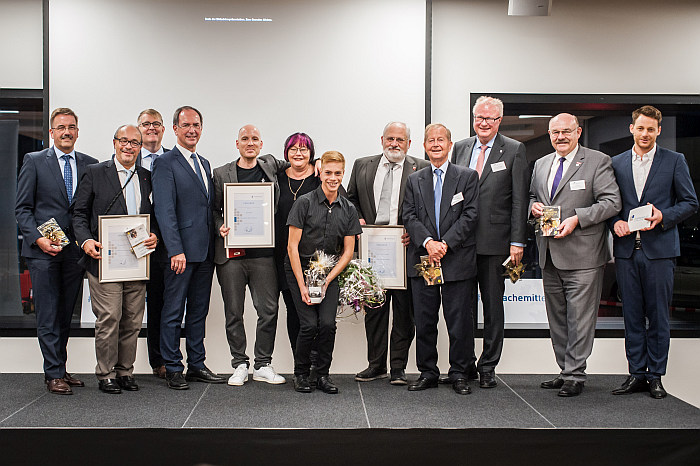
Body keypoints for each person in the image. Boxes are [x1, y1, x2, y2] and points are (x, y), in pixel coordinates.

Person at [608, 105, 698, 399]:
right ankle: (636, 373)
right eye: (640, 128)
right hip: (626, 251)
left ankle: (656, 376)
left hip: (659, 251)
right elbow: (609, 204)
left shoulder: (674, 161)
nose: (645, 133)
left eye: (651, 129)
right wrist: (614, 222)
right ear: (631, 128)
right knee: (632, 316)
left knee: (658, 317)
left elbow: (690, 202)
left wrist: (664, 216)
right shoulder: (616, 163)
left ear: (658, 131)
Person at [529, 113, 621, 397]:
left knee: (580, 318)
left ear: (578, 132)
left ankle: (575, 375)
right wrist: (532, 207)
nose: (561, 137)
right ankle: (564, 369)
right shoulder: (541, 164)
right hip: (549, 253)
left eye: (566, 131)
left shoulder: (597, 161)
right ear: (549, 134)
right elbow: (533, 196)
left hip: (583, 256)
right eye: (555, 132)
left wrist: (577, 219)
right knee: (557, 318)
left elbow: (612, 202)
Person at [15, 107, 98, 395]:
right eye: (61, 127)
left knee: (64, 315)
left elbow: (88, 210)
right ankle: (52, 373)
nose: (66, 132)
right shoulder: (35, 161)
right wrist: (38, 239)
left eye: (71, 127)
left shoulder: (91, 165)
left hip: (73, 252)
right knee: (48, 314)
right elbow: (23, 208)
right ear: (51, 132)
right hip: (42, 253)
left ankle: (59, 368)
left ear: (77, 131)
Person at [72, 124, 159, 394]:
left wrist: (154, 235)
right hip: (104, 260)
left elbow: (153, 216)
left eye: (135, 142)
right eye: (124, 141)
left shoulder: (146, 176)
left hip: (137, 260)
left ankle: (125, 371)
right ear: (114, 143)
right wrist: (86, 241)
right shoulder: (95, 173)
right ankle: (105, 373)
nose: (129, 147)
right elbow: (78, 213)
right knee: (110, 317)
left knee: (132, 320)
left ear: (141, 147)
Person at [451, 96, 529, 389]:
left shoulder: (514, 149)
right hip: (461, 242)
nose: (483, 123)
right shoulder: (460, 147)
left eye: (490, 119)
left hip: (496, 243)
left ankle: (488, 365)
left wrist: (517, 241)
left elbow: (520, 199)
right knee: (463, 307)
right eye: (479, 118)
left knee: (493, 307)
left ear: (500, 120)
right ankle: (466, 364)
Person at [347, 121, 429, 385]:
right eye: (390, 138)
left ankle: (398, 368)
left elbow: (427, 208)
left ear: (409, 144)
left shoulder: (422, 167)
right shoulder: (362, 165)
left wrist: (415, 231)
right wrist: (357, 218)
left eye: (400, 140)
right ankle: (376, 365)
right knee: (375, 311)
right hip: (372, 250)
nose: (395, 144)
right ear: (382, 139)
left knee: (405, 314)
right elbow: (351, 199)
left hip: (405, 249)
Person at [152, 106, 226, 389]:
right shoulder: (165, 163)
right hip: (180, 255)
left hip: (205, 252)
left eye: (196, 125)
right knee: (172, 312)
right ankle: (172, 366)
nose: (192, 130)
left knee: (198, 311)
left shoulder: (204, 163)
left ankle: (196, 363)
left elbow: (205, 208)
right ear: (175, 129)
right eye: (186, 125)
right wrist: (175, 250)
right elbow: (165, 211)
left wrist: (218, 227)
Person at [403, 123, 479, 395]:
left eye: (441, 140)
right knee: (424, 322)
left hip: (456, 261)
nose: (435, 144)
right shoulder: (414, 179)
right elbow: (408, 216)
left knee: (459, 323)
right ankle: (428, 372)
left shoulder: (467, 177)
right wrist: (428, 243)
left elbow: (470, 215)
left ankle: (459, 372)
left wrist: (444, 244)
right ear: (424, 146)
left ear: (450, 145)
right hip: (424, 260)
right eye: (430, 140)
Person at [213, 124, 287, 386]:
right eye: (245, 139)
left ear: (261, 144)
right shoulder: (221, 173)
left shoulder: (269, 166)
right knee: (234, 311)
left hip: (263, 254)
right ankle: (239, 364)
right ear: (237, 144)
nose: (250, 143)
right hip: (231, 255)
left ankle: (263, 364)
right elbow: (213, 210)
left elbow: (296, 159)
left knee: (268, 309)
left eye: (255, 139)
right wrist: (218, 225)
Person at [286, 151, 362, 394]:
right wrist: (301, 285)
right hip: (300, 271)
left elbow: (348, 252)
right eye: (328, 172)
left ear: (343, 174)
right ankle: (301, 374)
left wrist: (329, 280)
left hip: (330, 275)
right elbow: (292, 247)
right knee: (308, 325)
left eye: (337, 173)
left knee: (327, 325)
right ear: (320, 173)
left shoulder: (348, 208)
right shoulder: (304, 203)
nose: (333, 178)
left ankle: (322, 375)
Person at [274, 133, 320, 355]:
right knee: (293, 311)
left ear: (312, 153)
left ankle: (317, 364)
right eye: (293, 149)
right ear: (286, 153)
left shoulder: (321, 177)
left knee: (318, 314)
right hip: (284, 258)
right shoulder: (276, 177)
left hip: (316, 259)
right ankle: (301, 364)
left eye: (304, 149)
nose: (298, 153)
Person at [136, 108, 170, 379]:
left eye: (156, 124)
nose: (151, 128)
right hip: (130, 245)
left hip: (163, 244)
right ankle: (121, 366)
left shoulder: (173, 159)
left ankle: (158, 360)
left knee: (159, 303)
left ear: (163, 129)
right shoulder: (123, 159)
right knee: (128, 306)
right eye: (145, 124)